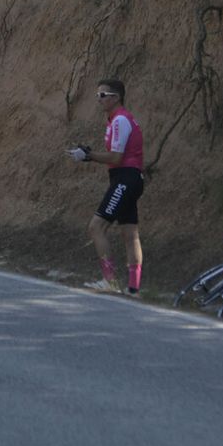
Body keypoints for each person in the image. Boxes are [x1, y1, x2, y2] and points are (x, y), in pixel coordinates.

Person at [70, 78, 145, 295]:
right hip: (129, 178)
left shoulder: (121, 120)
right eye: (97, 95)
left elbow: (116, 156)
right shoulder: (115, 120)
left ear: (116, 97)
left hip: (125, 178)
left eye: (103, 95)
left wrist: (88, 155)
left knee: (96, 227)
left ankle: (110, 281)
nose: (99, 100)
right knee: (130, 233)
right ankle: (133, 288)